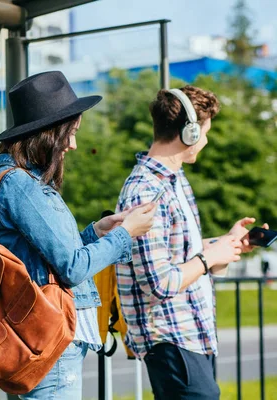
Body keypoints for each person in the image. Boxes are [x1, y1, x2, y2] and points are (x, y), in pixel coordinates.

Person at [0, 71, 157, 400]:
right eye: (70, 133)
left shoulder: (18, 180)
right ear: (47, 133)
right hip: (53, 342)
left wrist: (96, 232)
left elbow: (48, 255)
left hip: (46, 338)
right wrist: (126, 235)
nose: (73, 145)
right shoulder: (22, 185)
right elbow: (73, 268)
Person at [115, 85, 269, 399]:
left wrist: (225, 243)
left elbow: (174, 250)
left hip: (192, 333)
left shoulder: (175, 179)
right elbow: (158, 283)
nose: (207, 139)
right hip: (170, 338)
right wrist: (208, 258)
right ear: (189, 132)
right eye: (206, 131)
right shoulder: (145, 192)